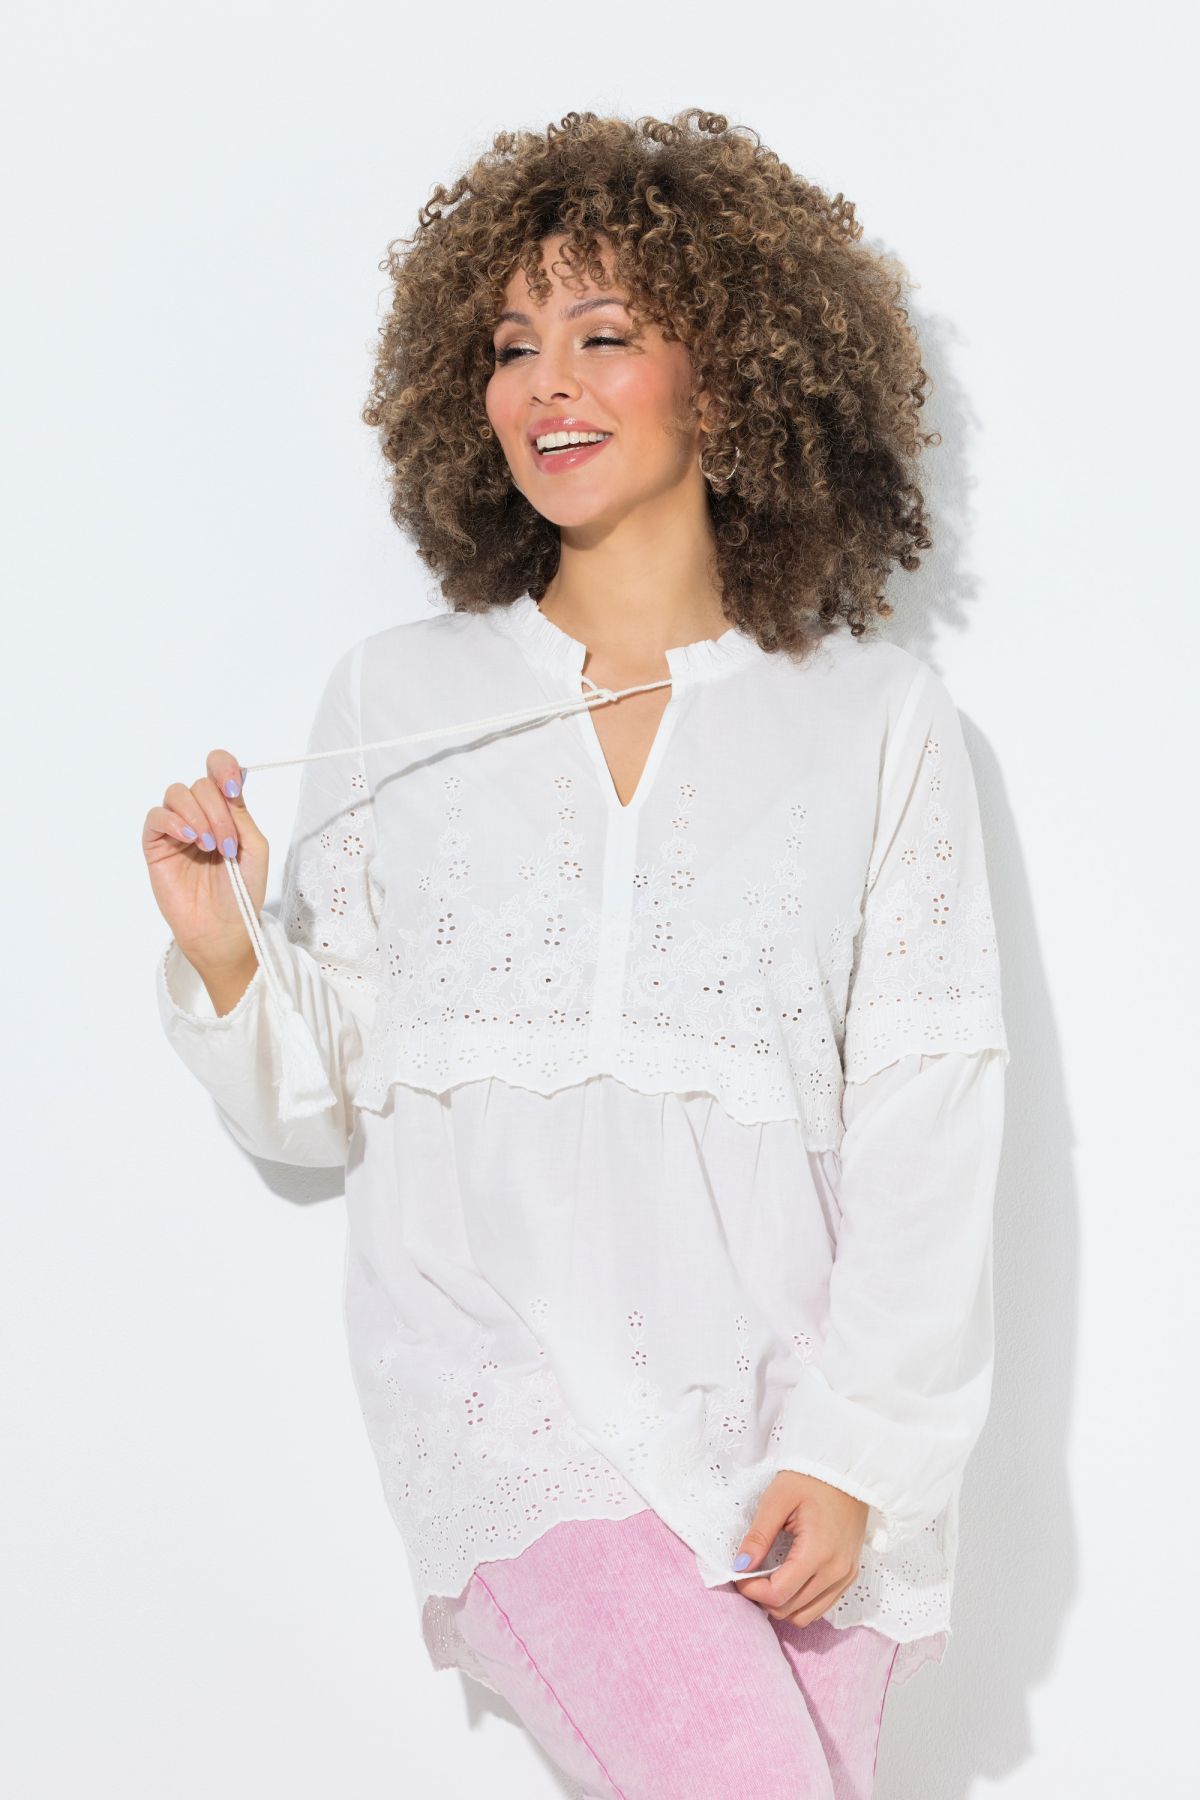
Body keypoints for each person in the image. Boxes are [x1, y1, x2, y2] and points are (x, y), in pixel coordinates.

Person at [143, 108, 1009, 1800]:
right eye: (510, 343)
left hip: (804, 1413)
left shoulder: (877, 720)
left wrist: (862, 1448)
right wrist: (226, 948)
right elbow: (318, 1110)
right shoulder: (398, 697)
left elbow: (931, 1109)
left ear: (732, 373)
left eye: (604, 334)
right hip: (505, 1389)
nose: (547, 381)